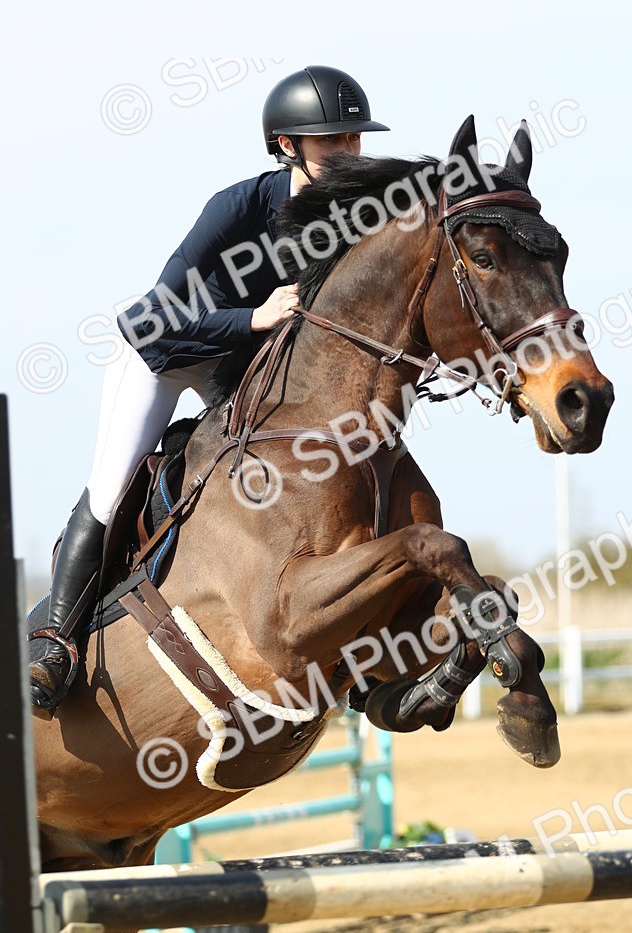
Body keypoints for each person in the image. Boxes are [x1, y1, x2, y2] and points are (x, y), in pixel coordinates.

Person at [30, 65, 389, 717]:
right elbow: (149, 317)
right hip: (169, 353)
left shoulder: (359, 218)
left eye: (352, 140)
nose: (346, 152)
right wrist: (251, 317)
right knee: (113, 486)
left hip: (243, 371)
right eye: (329, 141)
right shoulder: (238, 208)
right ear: (286, 145)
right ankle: (56, 640)